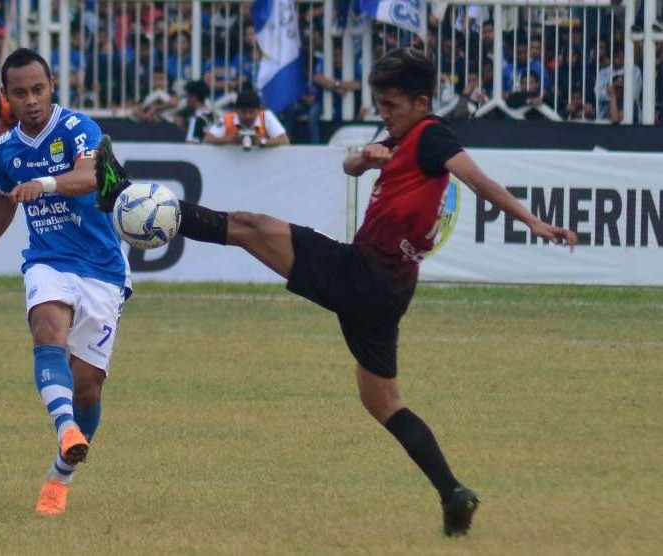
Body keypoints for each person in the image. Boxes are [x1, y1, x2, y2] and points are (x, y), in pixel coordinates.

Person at [93, 47, 579, 536]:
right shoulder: (400, 137)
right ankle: (453, 493)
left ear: (422, 101)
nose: (383, 115)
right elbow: (352, 167)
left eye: (391, 106)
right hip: (388, 293)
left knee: (248, 226)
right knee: (382, 401)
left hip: (364, 272)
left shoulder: (432, 135)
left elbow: (479, 181)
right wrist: (361, 157)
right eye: (380, 105)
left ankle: (119, 194)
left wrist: (534, 222)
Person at [0, 48, 131, 516]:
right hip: (47, 260)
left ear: (51, 85)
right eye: (20, 92)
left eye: (38, 89)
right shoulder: (6, 149)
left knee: (88, 388)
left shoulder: (79, 128)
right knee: (47, 327)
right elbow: (4, 200)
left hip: (102, 268)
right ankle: (65, 429)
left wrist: (47, 184)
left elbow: (91, 176)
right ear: (5, 96)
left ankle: (60, 476)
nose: (31, 100)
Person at [203, 87, 289, 148]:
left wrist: (262, 142)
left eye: (251, 112)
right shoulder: (228, 119)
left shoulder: (266, 117)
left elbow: (284, 140)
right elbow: (207, 139)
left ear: (259, 110)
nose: (247, 116)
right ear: (236, 110)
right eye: (243, 112)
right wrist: (229, 140)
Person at [178, 79, 216, 144]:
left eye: (187, 96)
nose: (186, 100)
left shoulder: (195, 119)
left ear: (194, 97)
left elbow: (190, 143)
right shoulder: (211, 115)